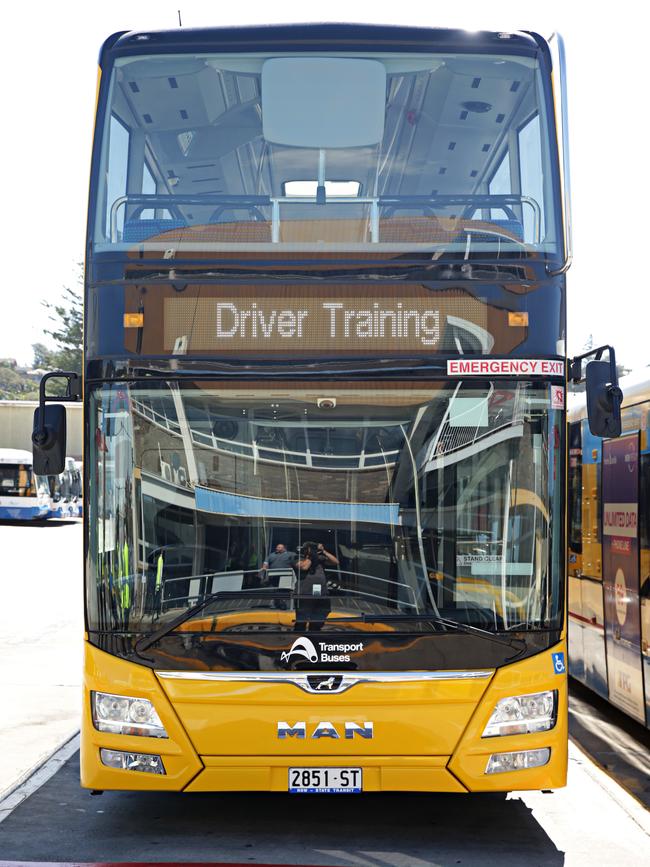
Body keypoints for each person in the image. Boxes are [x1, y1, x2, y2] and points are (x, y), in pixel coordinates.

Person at [294, 541, 339, 632]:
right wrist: (311, 556)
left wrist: (324, 551)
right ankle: (299, 638)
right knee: (302, 619)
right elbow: (304, 567)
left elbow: (336, 562)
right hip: (304, 593)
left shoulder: (319, 558)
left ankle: (314, 635)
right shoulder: (297, 557)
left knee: (319, 617)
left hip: (320, 593)